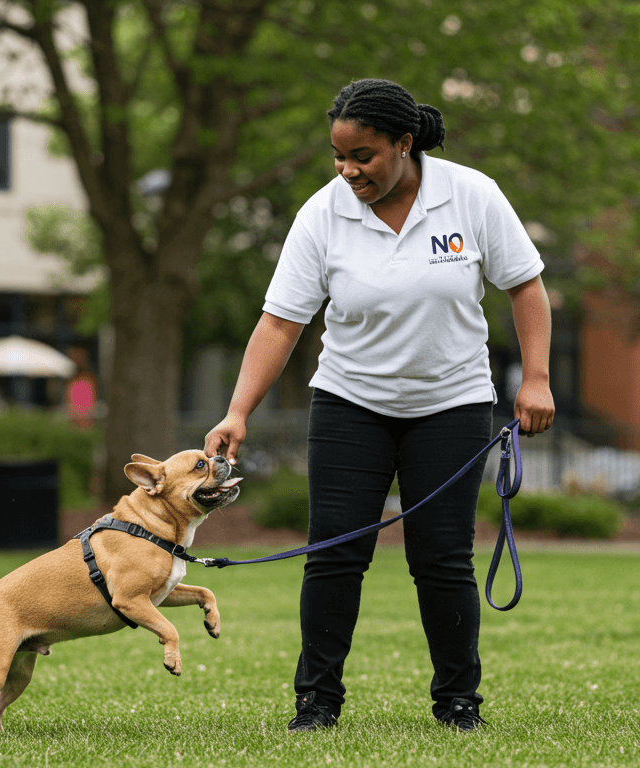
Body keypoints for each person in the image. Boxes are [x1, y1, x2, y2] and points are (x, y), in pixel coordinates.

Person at [204, 78, 555, 733]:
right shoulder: (323, 213)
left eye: (362, 155)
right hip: (349, 403)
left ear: (404, 143)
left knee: (443, 556)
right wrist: (237, 410)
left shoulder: (471, 195)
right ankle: (317, 703)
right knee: (335, 552)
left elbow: (527, 288)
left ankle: (458, 702)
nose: (347, 170)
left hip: (451, 404)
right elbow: (281, 322)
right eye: (338, 155)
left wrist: (535, 378)